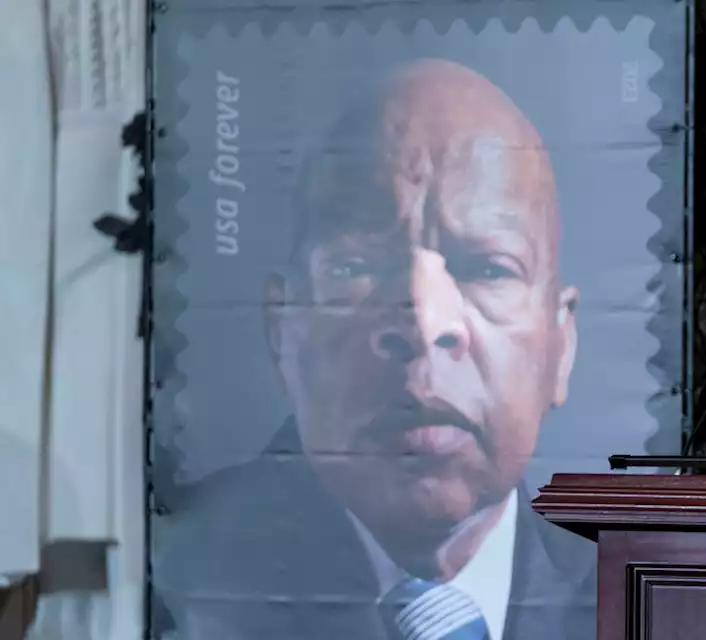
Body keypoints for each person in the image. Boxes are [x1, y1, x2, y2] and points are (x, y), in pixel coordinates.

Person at [152, 58, 596, 640]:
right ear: (283, 330)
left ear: (560, 346)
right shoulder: (158, 583)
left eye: (489, 267)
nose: (424, 322)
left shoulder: (650, 610)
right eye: (357, 265)